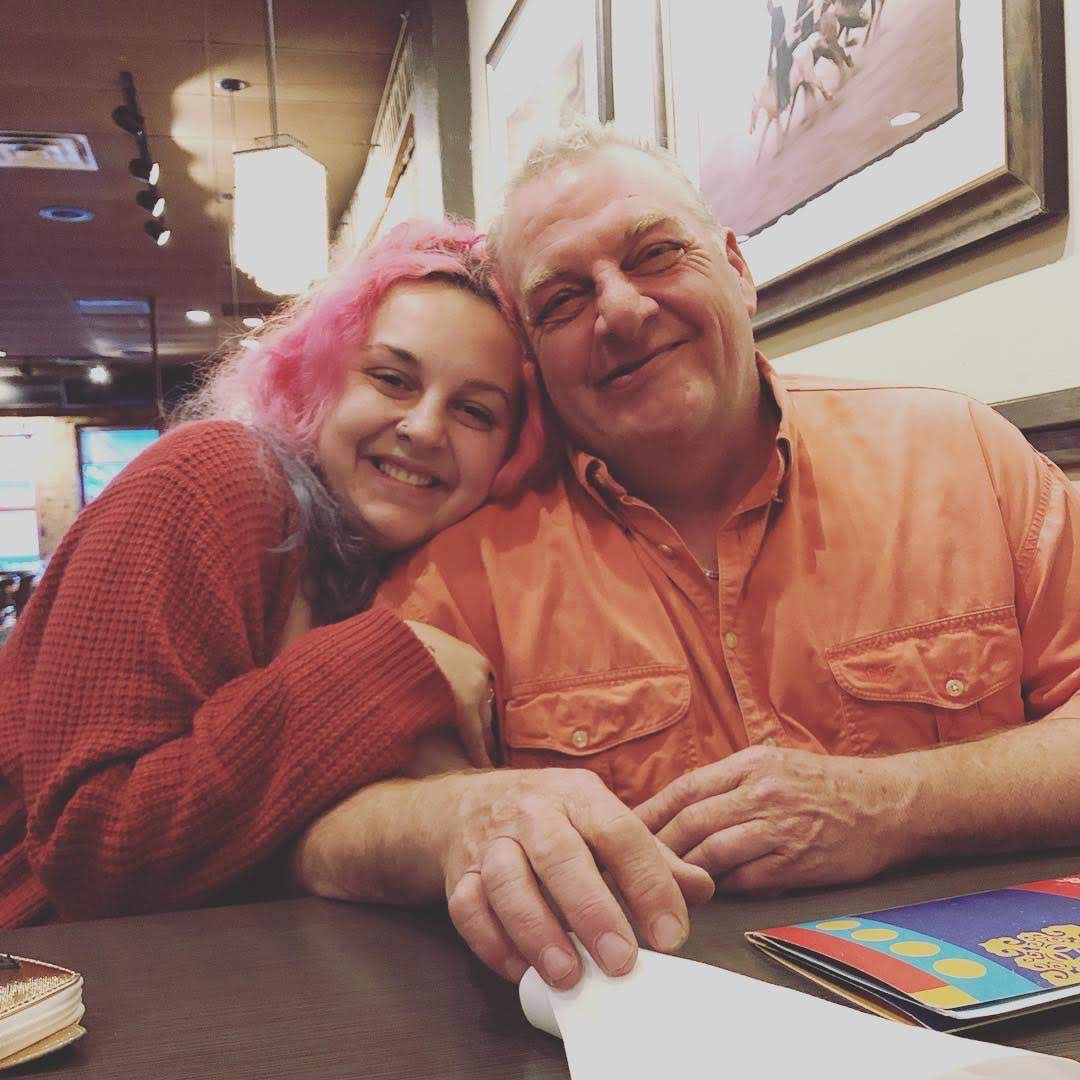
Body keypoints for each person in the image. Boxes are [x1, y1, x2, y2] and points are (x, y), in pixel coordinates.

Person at [293, 124, 1080, 993]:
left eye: (656, 254)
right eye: (562, 300)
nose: (622, 311)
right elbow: (330, 825)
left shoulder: (963, 454)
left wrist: (897, 807)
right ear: (534, 364)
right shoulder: (466, 562)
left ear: (737, 269)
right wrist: (464, 819)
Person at [0, 218, 549, 927]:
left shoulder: (398, 558)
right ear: (317, 373)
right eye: (391, 379)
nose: (424, 427)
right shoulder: (214, 477)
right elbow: (90, 850)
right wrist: (382, 666)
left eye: (474, 410)